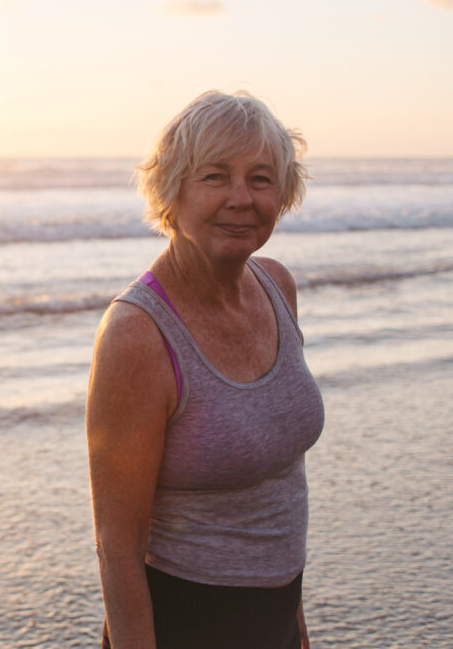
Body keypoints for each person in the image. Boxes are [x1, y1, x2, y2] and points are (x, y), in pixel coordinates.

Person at [86, 90, 324, 649]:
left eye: (262, 178)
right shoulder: (137, 335)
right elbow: (117, 548)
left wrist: (296, 630)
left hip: (275, 620)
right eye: (215, 176)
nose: (242, 198)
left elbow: (282, 488)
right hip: (182, 624)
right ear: (172, 191)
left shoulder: (276, 286)